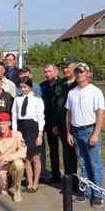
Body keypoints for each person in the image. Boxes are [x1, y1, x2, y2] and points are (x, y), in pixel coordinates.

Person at [66, 63, 104, 208]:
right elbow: (69, 113)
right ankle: (87, 191)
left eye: (82, 72)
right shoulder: (72, 92)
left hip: (90, 131)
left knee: (95, 164)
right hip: (76, 131)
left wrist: (95, 133)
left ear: (88, 73)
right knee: (83, 164)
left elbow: (101, 113)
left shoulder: (95, 91)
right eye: (76, 72)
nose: (79, 74)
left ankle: (98, 194)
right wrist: (69, 132)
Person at [12, 76, 44, 194]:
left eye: (25, 87)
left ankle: (35, 183)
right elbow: (14, 116)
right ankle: (29, 182)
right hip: (21, 127)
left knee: (35, 157)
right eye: (21, 87)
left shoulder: (37, 99)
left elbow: (41, 118)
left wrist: (40, 134)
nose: (23, 89)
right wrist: (16, 133)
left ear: (30, 86)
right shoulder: (17, 99)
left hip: (33, 128)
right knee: (26, 157)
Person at [51, 56, 79, 190]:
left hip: (79, 124)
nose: (65, 70)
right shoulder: (60, 85)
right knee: (67, 154)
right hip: (63, 124)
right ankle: (71, 184)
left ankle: (88, 185)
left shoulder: (80, 83)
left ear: (75, 67)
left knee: (82, 155)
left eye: (67, 67)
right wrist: (55, 123)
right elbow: (55, 105)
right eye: (63, 67)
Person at [0, 113, 26, 203]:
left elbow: (23, 151)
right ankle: (5, 183)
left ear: (9, 123)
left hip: (12, 164)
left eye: (4, 124)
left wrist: (6, 158)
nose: (2, 126)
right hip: (0, 167)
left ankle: (17, 189)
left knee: (19, 164)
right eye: (0, 124)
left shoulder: (17, 135)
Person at [40, 63, 62, 184]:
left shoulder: (62, 84)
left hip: (61, 121)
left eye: (50, 71)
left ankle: (70, 177)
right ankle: (54, 174)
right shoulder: (43, 86)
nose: (48, 74)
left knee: (65, 150)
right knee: (51, 149)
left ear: (56, 71)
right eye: (46, 72)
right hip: (47, 121)